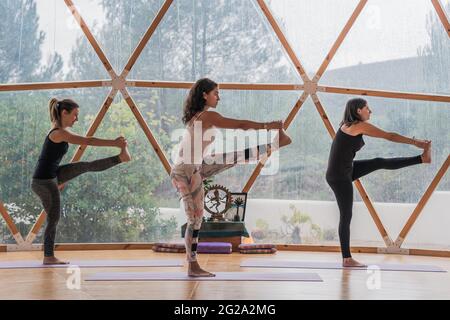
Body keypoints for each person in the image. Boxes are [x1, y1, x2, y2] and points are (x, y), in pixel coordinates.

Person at [171, 78, 292, 277]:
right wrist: (267, 125)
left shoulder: (197, 117)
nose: (219, 97)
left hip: (196, 166)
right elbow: (241, 125)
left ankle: (275, 144)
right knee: (195, 220)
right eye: (216, 93)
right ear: (204, 95)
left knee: (232, 157)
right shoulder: (207, 116)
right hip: (186, 172)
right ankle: (192, 266)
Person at [325, 98, 431, 267]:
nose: (370, 111)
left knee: (378, 161)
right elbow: (389, 136)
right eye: (367, 108)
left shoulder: (348, 125)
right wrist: (414, 142)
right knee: (346, 215)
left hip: (345, 170)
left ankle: (422, 158)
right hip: (339, 176)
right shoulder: (358, 126)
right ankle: (347, 258)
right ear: (359, 111)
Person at [31, 98, 131, 265]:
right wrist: (113, 142)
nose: (76, 119)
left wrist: (61, 179)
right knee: (54, 218)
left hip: (53, 175)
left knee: (85, 166)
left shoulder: (59, 131)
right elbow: (88, 141)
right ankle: (48, 257)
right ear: (64, 113)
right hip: (43, 182)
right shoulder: (59, 133)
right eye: (75, 115)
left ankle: (121, 157)